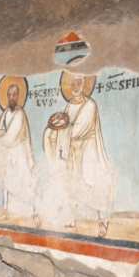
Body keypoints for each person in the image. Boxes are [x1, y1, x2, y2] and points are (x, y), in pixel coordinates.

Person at [42, 73, 115, 236]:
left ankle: (102, 221)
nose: (75, 87)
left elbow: (78, 129)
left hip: (87, 151)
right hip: (72, 151)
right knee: (71, 183)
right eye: (72, 84)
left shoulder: (90, 105)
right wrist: (52, 132)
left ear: (84, 84)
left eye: (78, 83)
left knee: (92, 185)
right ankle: (71, 218)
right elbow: (65, 124)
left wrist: (59, 131)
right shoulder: (69, 106)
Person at [0, 82, 39, 224]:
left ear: (18, 96)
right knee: (6, 182)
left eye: (14, 95)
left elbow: (10, 135)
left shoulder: (20, 114)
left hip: (19, 154)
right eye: (9, 95)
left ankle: (35, 213)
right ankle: (6, 211)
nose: (12, 98)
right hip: (7, 155)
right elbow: (1, 129)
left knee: (26, 182)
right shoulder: (6, 113)